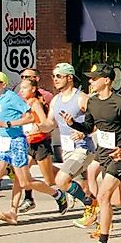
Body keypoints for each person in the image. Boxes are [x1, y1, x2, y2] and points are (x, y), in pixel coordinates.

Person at [0, 72, 67, 237]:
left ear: (3, 84)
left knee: (25, 182)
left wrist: (7, 124)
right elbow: (4, 120)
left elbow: (28, 118)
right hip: (3, 143)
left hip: (17, 143)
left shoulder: (12, 97)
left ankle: (57, 194)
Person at [62, 64, 121, 243]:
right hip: (102, 153)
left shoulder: (120, 103)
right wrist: (74, 124)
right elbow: (90, 127)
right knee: (119, 200)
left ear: (106, 80)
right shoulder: (92, 102)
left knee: (104, 196)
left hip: (119, 155)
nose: (90, 81)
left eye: (94, 78)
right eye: (90, 78)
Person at [39, 62, 99, 228]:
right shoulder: (56, 100)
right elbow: (50, 123)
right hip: (67, 150)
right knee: (83, 186)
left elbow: (98, 121)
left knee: (61, 180)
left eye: (59, 76)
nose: (55, 79)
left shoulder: (81, 98)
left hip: (83, 148)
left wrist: (84, 131)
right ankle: (96, 218)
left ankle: (91, 205)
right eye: (54, 76)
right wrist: (36, 127)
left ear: (69, 77)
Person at [14, 78, 58, 216]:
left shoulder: (35, 103)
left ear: (33, 89)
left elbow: (45, 122)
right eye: (21, 88)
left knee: (50, 180)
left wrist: (36, 127)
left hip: (40, 144)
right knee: (21, 175)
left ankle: (67, 190)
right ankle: (23, 202)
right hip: (28, 144)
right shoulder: (24, 103)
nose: (21, 91)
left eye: (24, 88)